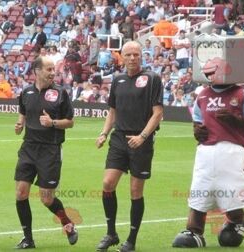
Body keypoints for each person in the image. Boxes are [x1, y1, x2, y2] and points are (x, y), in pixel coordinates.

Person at [173, 85, 244, 248]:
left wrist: (235, 120)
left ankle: (237, 220)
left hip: (234, 151)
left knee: (231, 193)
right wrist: (197, 131)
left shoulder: (242, 94)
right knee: (200, 190)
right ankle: (194, 231)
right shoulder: (203, 95)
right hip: (206, 152)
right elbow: (198, 121)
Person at [95, 41, 164, 252]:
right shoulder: (118, 80)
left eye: (136, 54)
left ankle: (131, 241)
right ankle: (111, 233)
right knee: (107, 184)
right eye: (128, 55)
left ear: (141, 56)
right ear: (121, 57)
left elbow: (158, 113)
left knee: (135, 190)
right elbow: (112, 111)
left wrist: (143, 136)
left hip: (141, 141)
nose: (133, 58)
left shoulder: (152, 79)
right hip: (119, 139)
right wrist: (104, 133)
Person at [14, 56, 78, 249]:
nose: (53, 73)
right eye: (49, 69)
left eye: (53, 70)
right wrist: (20, 124)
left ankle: (67, 223)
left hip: (50, 150)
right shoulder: (26, 92)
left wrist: (53, 123)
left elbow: (70, 121)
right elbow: (23, 112)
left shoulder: (60, 93)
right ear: (37, 71)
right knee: (21, 193)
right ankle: (28, 238)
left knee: (46, 198)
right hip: (28, 148)